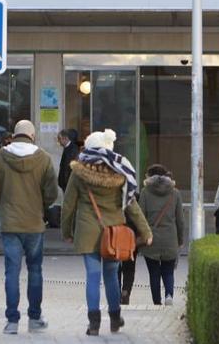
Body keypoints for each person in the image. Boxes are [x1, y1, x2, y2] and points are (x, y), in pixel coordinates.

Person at [61, 129, 152, 337]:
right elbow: (131, 205)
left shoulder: (78, 172)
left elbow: (68, 205)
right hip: (114, 233)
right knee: (111, 276)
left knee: (92, 276)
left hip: (87, 232)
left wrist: (67, 231)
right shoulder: (120, 172)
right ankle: (115, 318)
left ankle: (93, 324)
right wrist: (146, 231)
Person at [0, 121, 58, 335]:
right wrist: (41, 206)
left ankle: (12, 321)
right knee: (35, 271)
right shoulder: (43, 158)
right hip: (34, 224)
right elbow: (52, 191)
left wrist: (1, 204)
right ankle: (34, 318)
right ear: (32, 135)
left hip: (10, 223)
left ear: (15, 135)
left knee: (11, 273)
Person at [138, 164, 186, 306]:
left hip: (151, 238)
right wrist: (180, 239)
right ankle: (169, 295)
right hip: (170, 238)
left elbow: (140, 216)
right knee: (168, 271)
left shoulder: (145, 192)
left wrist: (142, 234)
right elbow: (180, 220)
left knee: (154, 273)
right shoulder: (175, 193)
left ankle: (156, 302)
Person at [0, 132, 14, 240]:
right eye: (8, 139)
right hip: (1, 185)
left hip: (8, 185)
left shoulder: (1, 153)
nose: (10, 142)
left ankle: (2, 230)